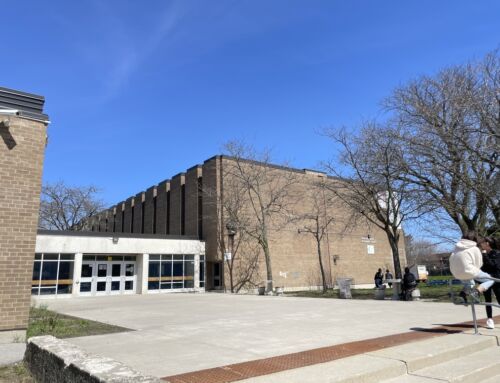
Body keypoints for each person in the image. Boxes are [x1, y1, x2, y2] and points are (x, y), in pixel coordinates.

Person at [449, 231, 494, 298]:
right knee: (491, 279)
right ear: (475, 239)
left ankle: (463, 294)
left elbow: (451, 260)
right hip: (469, 271)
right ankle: (477, 292)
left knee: (470, 283)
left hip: (456, 273)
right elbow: (479, 264)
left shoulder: (455, 249)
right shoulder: (474, 248)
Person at [479, 237, 500, 329]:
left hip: (496, 279)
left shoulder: (497, 253)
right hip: (486, 279)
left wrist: (485, 256)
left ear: (487, 243)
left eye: (483, 243)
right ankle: (490, 319)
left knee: (499, 299)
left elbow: (493, 265)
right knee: (488, 300)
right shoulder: (483, 254)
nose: (481, 244)